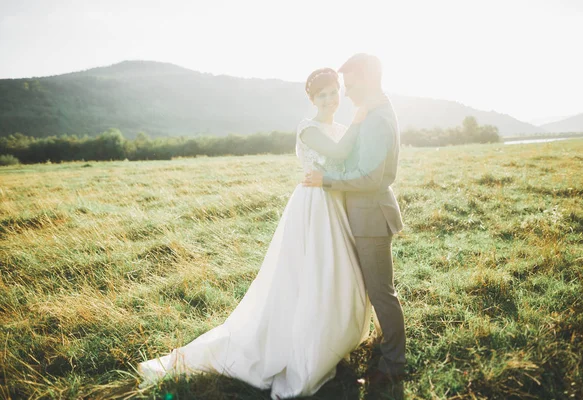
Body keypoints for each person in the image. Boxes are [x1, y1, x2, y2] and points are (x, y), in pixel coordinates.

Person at [137, 67, 373, 399]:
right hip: (313, 207)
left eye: (334, 92)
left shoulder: (341, 127)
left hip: (336, 204)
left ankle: (334, 338)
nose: (330, 99)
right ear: (312, 99)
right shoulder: (308, 129)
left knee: (336, 274)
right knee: (307, 274)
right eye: (322, 95)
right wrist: (361, 120)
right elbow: (338, 153)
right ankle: (300, 345)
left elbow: (351, 159)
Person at [303, 53, 407, 386]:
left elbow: (370, 179)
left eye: (349, 85)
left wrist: (327, 181)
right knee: (373, 290)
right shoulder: (373, 113)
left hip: (371, 217)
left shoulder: (376, 119)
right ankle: (383, 345)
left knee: (381, 292)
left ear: (366, 79)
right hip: (361, 216)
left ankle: (393, 364)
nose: (345, 93)